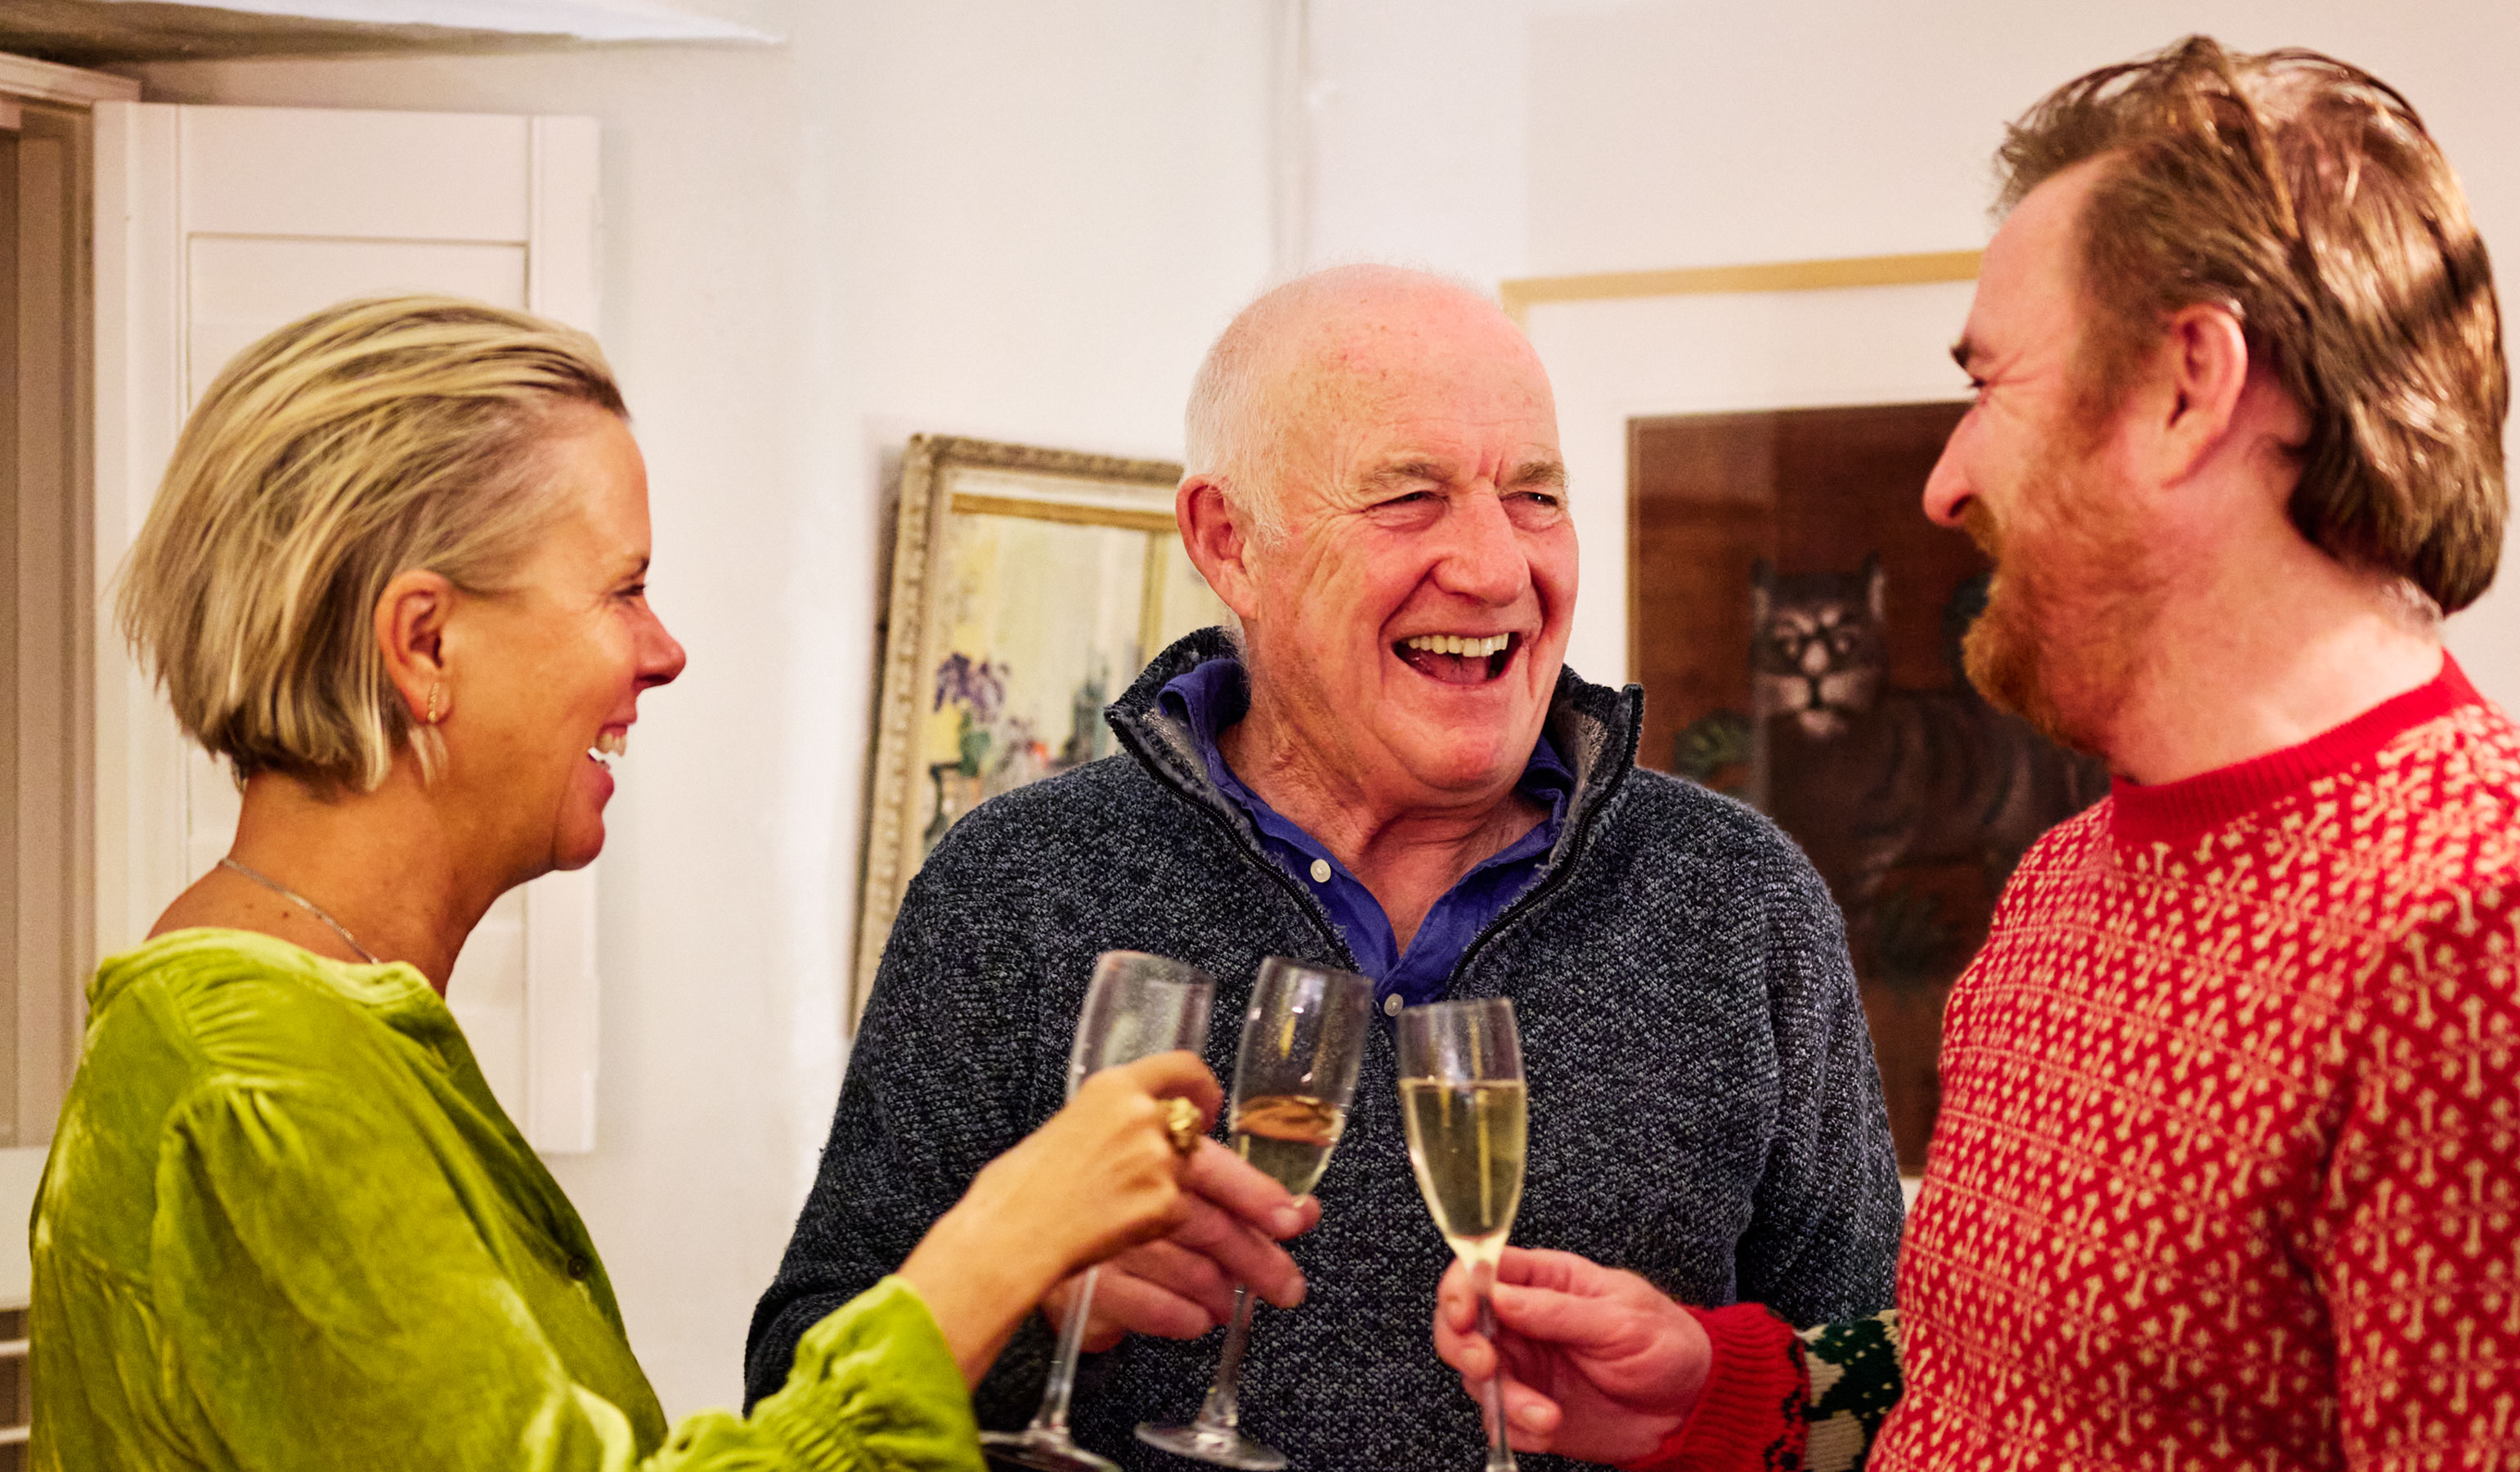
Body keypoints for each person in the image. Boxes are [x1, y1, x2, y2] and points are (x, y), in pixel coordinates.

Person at [1433, 36, 2520, 1472]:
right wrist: (1719, 1395)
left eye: (1992, 385)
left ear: (2189, 385)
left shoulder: (2512, 939)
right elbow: (1993, 1382)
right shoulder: (2068, 879)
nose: (1945, 482)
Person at [31, 295, 1312, 1471]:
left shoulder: (335, 1029)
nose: (667, 651)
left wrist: (1018, 1293)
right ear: (424, 644)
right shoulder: (261, 1090)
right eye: (625, 590)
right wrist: (988, 1250)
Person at [745, 264, 1906, 1470]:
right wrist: (1027, 1301)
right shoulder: (1014, 886)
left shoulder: (1734, 896)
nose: (1497, 568)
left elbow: (1902, 1391)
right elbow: (798, 1382)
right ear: (1229, 541)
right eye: (1409, 497)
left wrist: (1711, 1386)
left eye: (1535, 496)